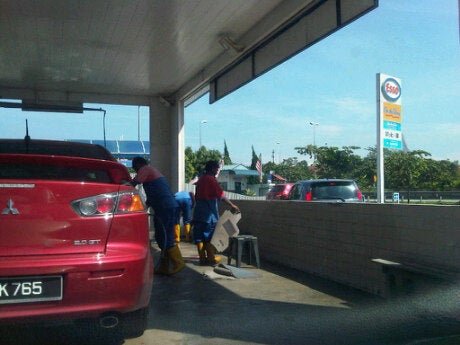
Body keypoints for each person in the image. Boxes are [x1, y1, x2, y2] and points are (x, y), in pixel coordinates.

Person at [131, 157, 185, 275]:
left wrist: (121, 186)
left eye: (134, 166)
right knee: (161, 237)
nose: (134, 169)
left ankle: (178, 262)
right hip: (163, 208)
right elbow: (153, 195)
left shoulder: (145, 169)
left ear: (139, 164)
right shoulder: (151, 174)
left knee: (166, 236)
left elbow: (133, 183)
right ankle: (164, 266)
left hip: (166, 207)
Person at [193, 160, 239, 265]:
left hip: (198, 213)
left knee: (199, 238)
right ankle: (210, 259)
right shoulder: (211, 180)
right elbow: (221, 195)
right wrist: (232, 205)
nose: (218, 170)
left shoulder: (201, 179)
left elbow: (197, 196)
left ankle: (202, 259)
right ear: (213, 168)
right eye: (217, 168)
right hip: (208, 215)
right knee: (209, 238)